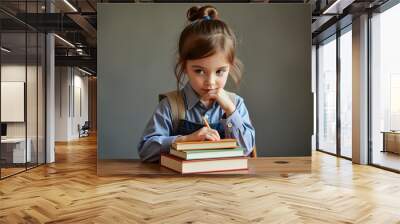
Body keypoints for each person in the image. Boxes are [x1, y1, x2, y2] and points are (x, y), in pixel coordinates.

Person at [138, 5, 255, 162]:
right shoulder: (170, 106)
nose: (210, 82)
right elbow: (146, 150)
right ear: (185, 67)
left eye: (220, 71)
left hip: (225, 184)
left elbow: (246, 150)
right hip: (179, 185)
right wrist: (186, 140)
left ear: (230, 67)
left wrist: (230, 111)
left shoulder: (236, 104)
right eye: (199, 71)